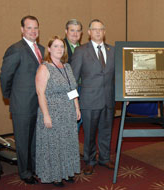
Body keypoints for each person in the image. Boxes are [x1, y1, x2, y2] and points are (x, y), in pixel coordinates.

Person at [0, 15, 45, 184]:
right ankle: (25, 173)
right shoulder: (15, 49)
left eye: (35, 28)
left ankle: (34, 168)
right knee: (23, 140)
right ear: (22, 30)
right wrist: (11, 96)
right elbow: (5, 77)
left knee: (34, 140)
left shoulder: (41, 48)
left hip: (38, 104)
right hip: (22, 105)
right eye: (29, 28)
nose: (33, 31)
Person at [71, 19, 115, 175]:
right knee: (89, 134)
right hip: (88, 101)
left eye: (101, 29)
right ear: (89, 32)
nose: (98, 32)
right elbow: (73, 79)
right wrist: (73, 102)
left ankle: (104, 158)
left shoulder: (113, 50)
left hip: (108, 100)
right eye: (94, 29)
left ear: (104, 31)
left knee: (106, 131)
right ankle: (89, 161)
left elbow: (119, 76)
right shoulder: (81, 51)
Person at [35, 36, 80, 187]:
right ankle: (55, 176)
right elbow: (40, 93)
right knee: (55, 145)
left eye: (61, 46)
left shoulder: (67, 67)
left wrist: (77, 107)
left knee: (68, 143)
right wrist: (46, 116)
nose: (59, 49)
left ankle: (67, 172)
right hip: (52, 112)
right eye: (55, 46)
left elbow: (72, 89)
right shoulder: (44, 68)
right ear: (49, 49)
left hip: (68, 112)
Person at [64, 19, 83, 130]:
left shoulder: (85, 49)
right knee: (70, 121)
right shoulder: (60, 47)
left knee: (81, 118)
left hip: (83, 89)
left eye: (78, 31)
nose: (75, 34)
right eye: (72, 30)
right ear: (66, 31)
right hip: (68, 91)